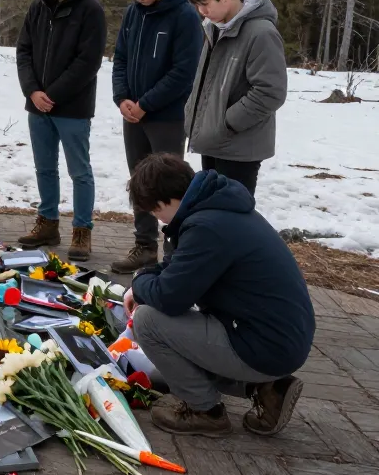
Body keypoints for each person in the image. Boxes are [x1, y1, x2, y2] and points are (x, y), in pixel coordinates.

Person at [124, 153, 314, 437]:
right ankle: (266, 389)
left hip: (266, 346)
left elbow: (170, 298)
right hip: (279, 338)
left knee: (148, 321)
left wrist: (140, 282)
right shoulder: (217, 208)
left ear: (166, 200)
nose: (156, 218)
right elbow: (178, 267)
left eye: (154, 211)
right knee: (163, 372)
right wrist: (144, 281)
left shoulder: (207, 227)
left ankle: (205, 412)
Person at [110, 0, 204, 273]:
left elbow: (183, 72)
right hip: (132, 115)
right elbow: (120, 58)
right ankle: (144, 245)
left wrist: (146, 103)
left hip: (166, 116)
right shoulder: (133, 13)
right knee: (139, 180)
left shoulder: (185, 17)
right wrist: (122, 97)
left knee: (167, 184)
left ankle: (175, 251)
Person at [15, 0, 106, 261]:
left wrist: (53, 94)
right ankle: (48, 222)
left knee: (79, 171)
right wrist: (32, 90)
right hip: (37, 106)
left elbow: (88, 62)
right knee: (44, 168)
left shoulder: (90, 10)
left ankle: (82, 231)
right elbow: (23, 50)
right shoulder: (37, 7)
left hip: (72, 108)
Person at [183, 0, 287, 195]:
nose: (202, 11)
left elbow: (271, 92)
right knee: (211, 215)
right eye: (197, 5)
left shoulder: (261, 33)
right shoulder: (214, 26)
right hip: (212, 142)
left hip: (238, 149)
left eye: (205, 4)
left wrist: (226, 122)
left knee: (232, 222)